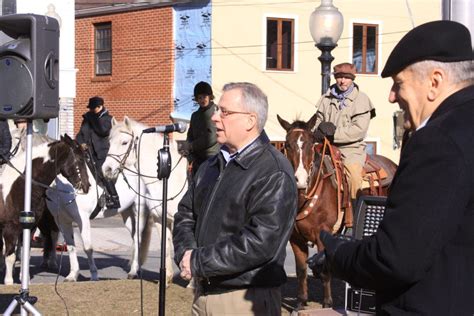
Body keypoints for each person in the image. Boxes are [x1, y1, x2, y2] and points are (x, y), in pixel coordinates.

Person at [317, 20, 474, 315]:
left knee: (352, 175)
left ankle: (347, 214)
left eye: (399, 84)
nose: (391, 96)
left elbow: (396, 258)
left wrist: (337, 252)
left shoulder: (439, 140)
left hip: (430, 306)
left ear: (435, 82)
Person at [173, 82, 298, 315]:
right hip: (203, 294)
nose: (215, 118)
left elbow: (260, 242)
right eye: (218, 110)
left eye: (225, 112)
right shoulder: (210, 166)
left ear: (250, 120)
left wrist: (199, 261)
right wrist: (186, 254)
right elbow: (185, 215)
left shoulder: (273, 171)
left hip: (244, 299)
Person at [312, 62, 375, 228]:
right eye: (339, 77)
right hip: (326, 147)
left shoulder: (361, 100)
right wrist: (316, 132)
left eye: (346, 78)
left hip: (351, 149)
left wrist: (334, 133)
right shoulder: (326, 99)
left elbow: (359, 130)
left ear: (352, 79)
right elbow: (317, 122)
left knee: (354, 176)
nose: (342, 81)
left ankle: (354, 220)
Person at [76, 96, 120, 209]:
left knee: (102, 171)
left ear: (100, 107)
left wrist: (92, 119)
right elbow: (80, 134)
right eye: (90, 108)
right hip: (88, 151)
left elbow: (102, 131)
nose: (90, 110)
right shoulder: (88, 119)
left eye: (93, 108)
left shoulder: (108, 119)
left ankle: (114, 197)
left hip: (102, 152)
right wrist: (81, 142)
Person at [180, 81, 220, 177]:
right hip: (197, 159)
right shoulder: (195, 115)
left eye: (204, 97)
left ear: (210, 97)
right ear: (196, 99)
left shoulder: (216, 111)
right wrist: (188, 155)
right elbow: (190, 136)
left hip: (212, 157)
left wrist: (191, 146)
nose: (202, 100)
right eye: (200, 97)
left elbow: (211, 137)